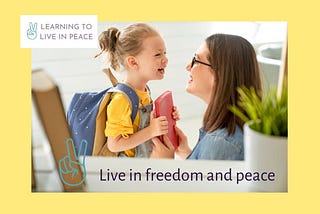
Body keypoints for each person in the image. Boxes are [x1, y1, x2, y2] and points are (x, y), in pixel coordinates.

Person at [151, 33, 262, 160]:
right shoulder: (224, 136)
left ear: (219, 74)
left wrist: (165, 164)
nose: (188, 67)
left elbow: (198, 180)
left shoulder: (221, 143)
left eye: (196, 60)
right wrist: (186, 153)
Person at [95, 23, 179, 158]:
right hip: (129, 171)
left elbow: (140, 124)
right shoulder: (121, 100)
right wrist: (151, 130)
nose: (165, 60)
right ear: (133, 62)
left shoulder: (144, 91)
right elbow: (114, 145)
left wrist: (166, 119)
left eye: (164, 53)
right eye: (158, 54)